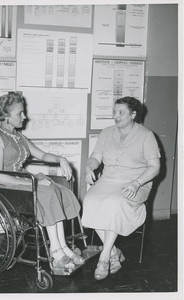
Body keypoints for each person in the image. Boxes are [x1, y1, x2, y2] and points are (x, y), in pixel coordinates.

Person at [0, 91, 84, 270]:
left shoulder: (18, 137)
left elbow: (42, 154)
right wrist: (32, 183)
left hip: (20, 179)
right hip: (2, 185)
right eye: (19, 113)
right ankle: (56, 250)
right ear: (6, 116)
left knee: (57, 190)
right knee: (46, 192)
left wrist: (61, 159)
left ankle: (63, 247)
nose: (24, 116)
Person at [81, 96, 160, 280]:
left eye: (121, 112)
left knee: (114, 203)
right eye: (114, 112)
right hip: (108, 180)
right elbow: (95, 157)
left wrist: (137, 183)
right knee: (90, 200)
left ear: (133, 114)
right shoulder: (106, 132)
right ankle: (114, 252)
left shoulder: (146, 136)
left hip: (135, 182)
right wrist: (88, 167)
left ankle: (104, 256)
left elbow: (155, 167)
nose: (116, 116)